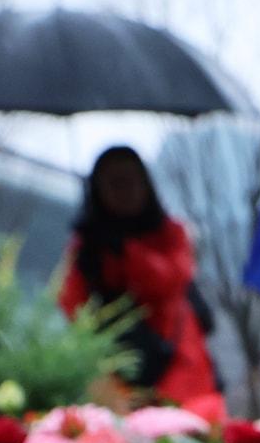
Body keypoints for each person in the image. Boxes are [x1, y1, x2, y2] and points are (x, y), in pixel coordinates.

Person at [59, 145, 220, 407]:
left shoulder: (172, 233)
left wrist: (126, 250)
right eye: (114, 182)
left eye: (131, 180)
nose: (125, 190)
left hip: (178, 367)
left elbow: (169, 280)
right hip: (114, 372)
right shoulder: (85, 246)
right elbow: (71, 304)